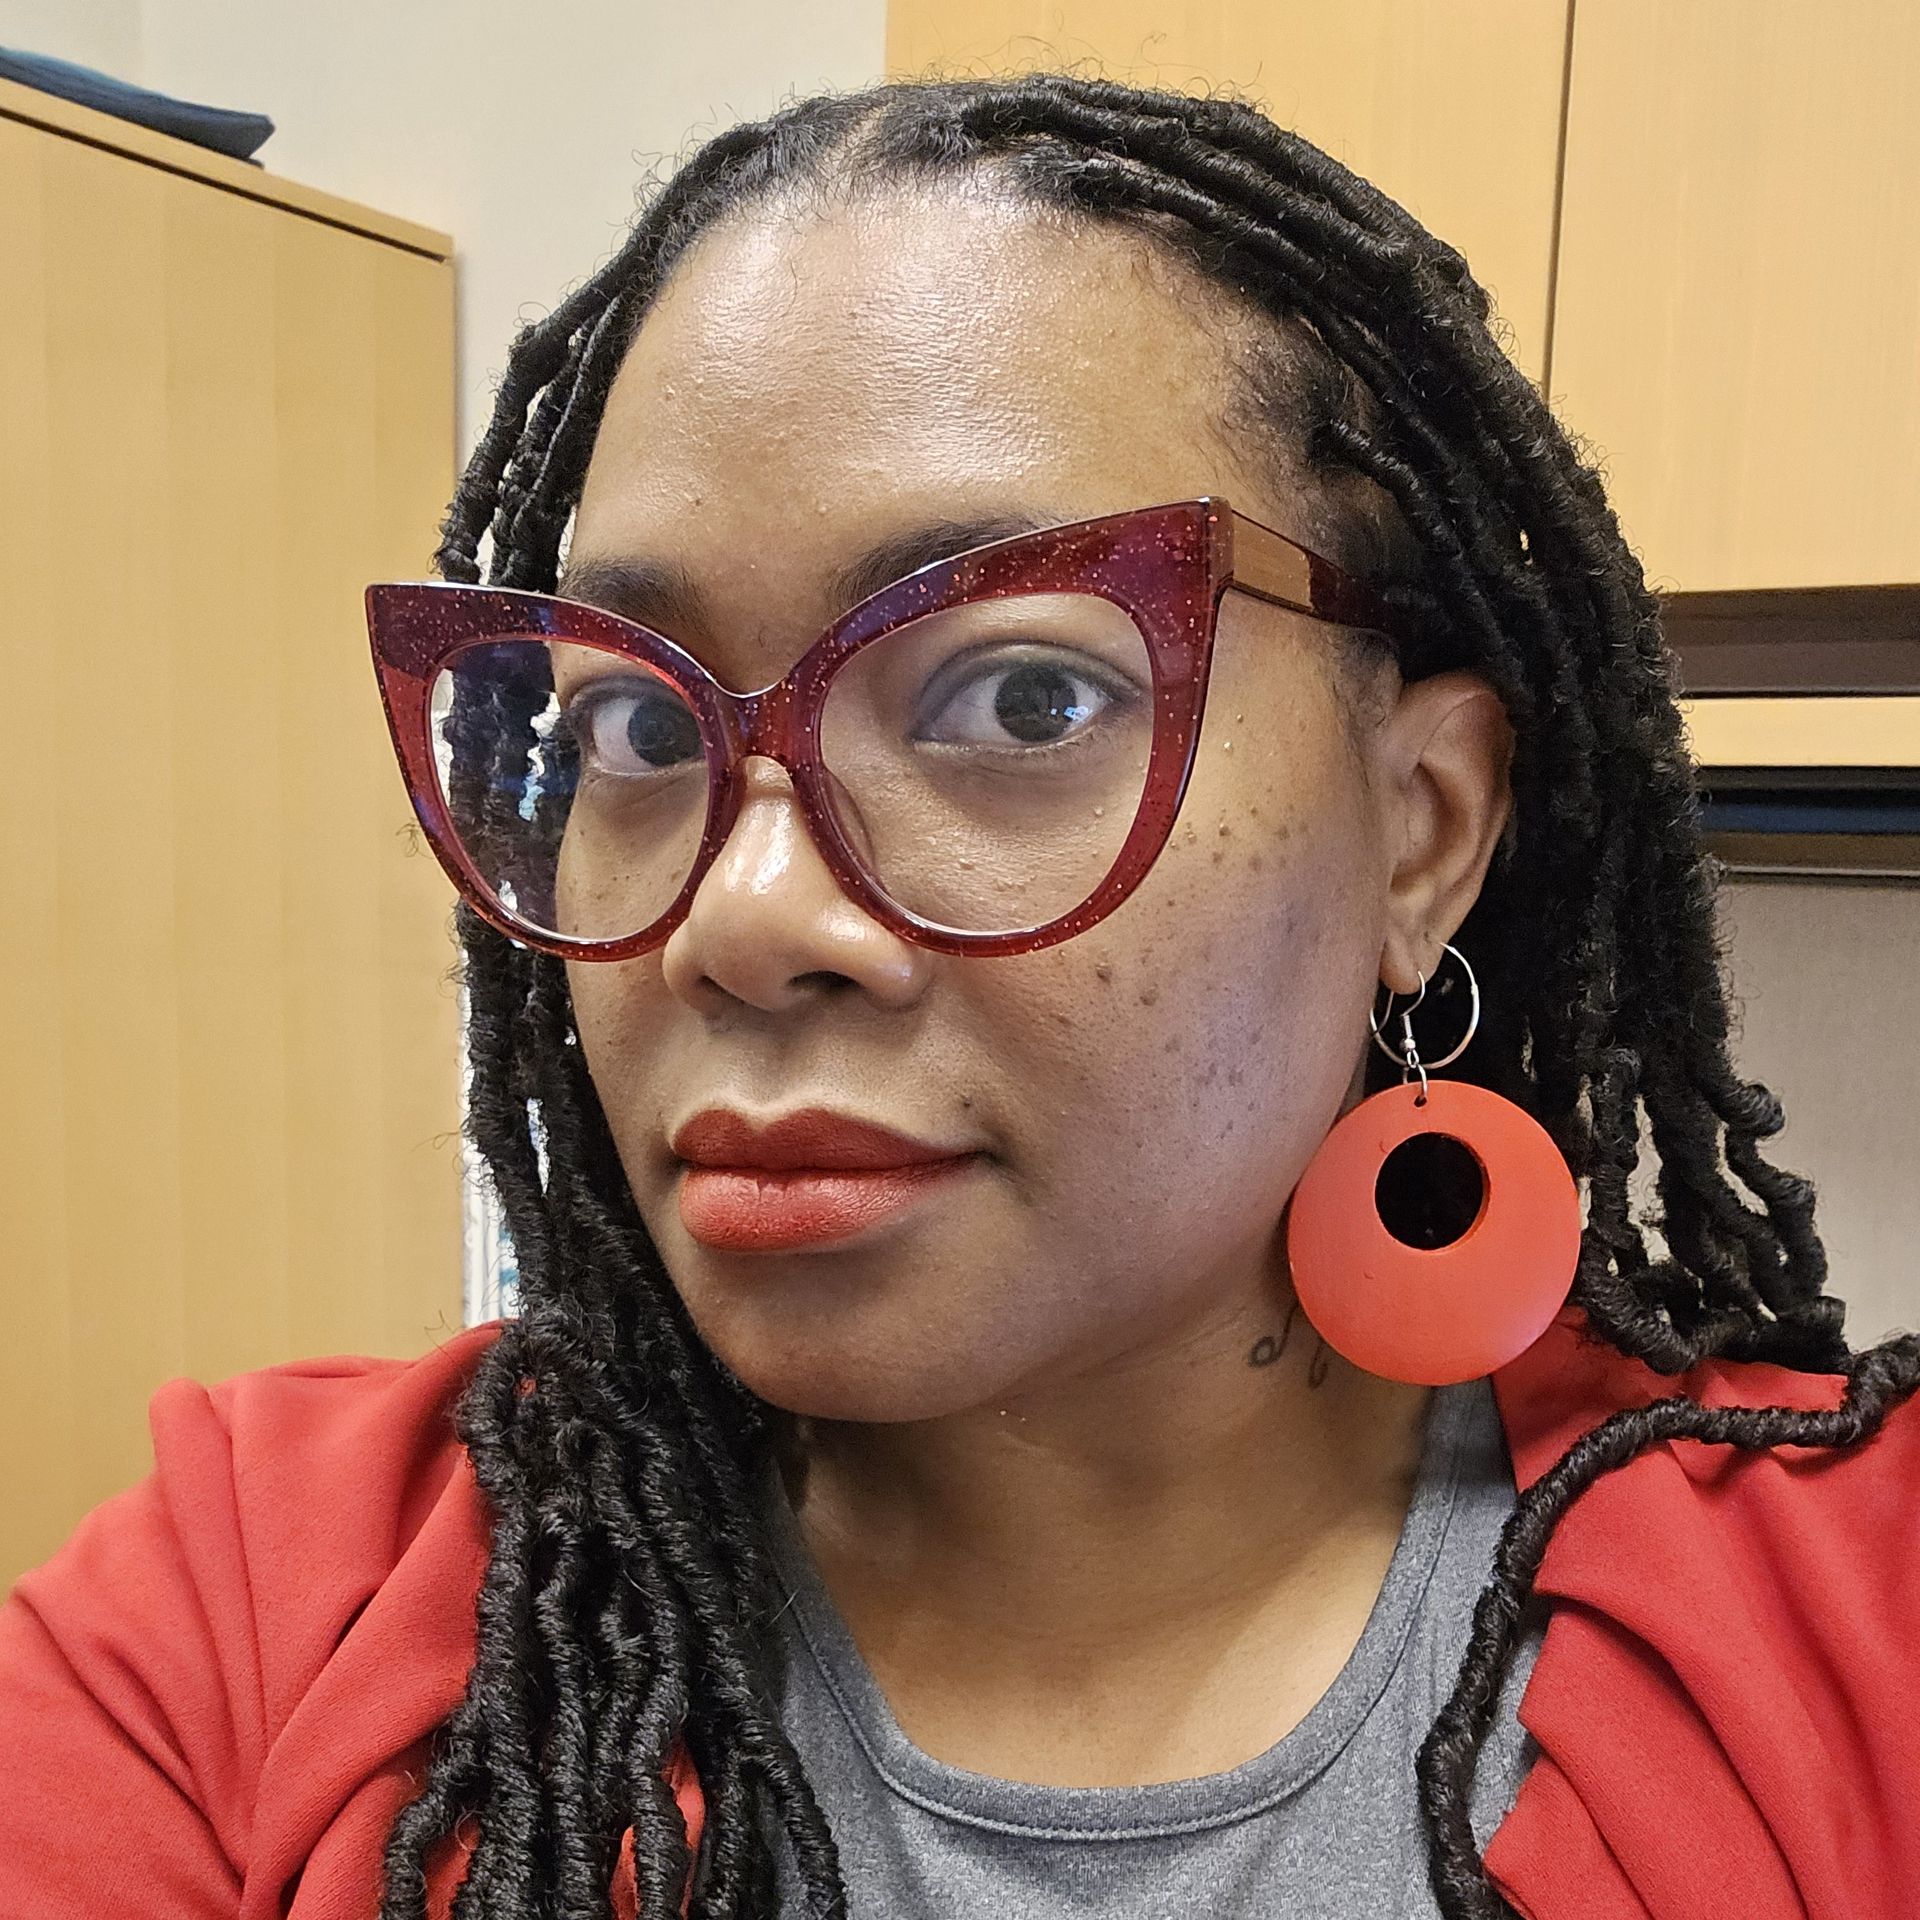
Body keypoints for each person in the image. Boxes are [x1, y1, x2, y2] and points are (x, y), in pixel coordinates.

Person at [4, 70, 1918, 1920]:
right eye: (635, 722)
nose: (742, 922)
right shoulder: (250, 1612)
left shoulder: (1863, 1626)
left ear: (1417, 833)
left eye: (1019, 696)